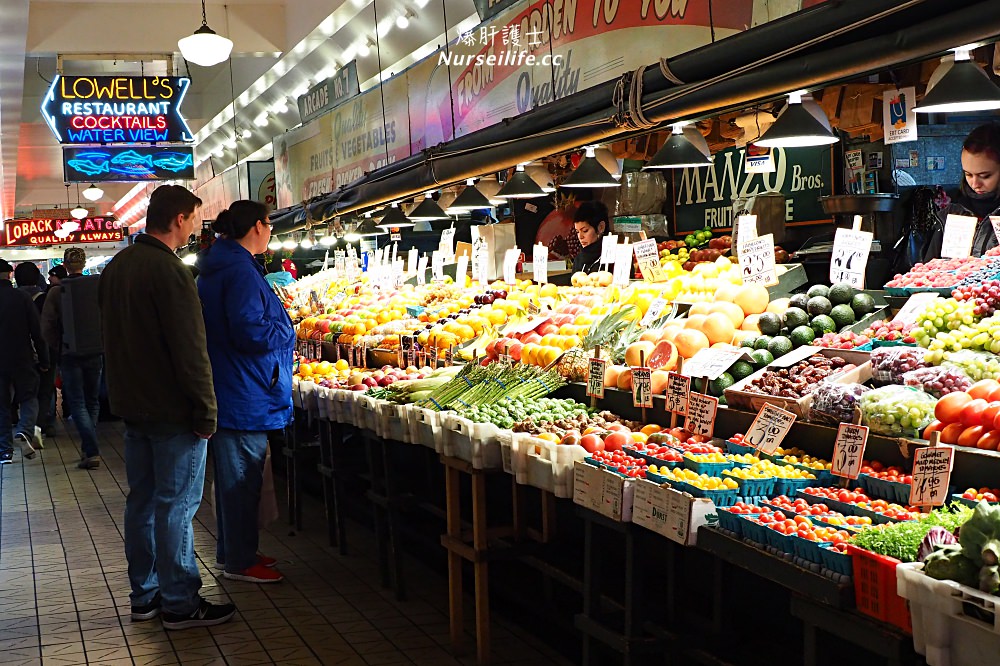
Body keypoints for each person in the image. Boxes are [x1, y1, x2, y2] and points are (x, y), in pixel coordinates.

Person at [99, 185, 235, 630]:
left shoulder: (118, 267)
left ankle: (146, 595)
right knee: (176, 505)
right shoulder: (171, 272)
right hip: (173, 411)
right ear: (180, 219)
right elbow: (191, 350)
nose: (197, 226)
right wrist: (206, 410)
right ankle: (179, 601)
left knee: (142, 502)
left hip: (133, 406)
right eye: (196, 218)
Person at [198, 201, 294, 584]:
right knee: (241, 479)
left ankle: (234, 551)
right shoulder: (238, 270)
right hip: (243, 390)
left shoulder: (226, 265)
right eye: (270, 225)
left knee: (236, 478)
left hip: (237, 384)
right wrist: (287, 331)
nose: (271, 231)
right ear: (257, 226)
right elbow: (249, 330)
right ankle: (239, 560)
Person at [41, 247, 103, 469]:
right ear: (84, 264)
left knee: (77, 403)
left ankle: (92, 449)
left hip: (69, 354)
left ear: (65, 265)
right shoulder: (97, 288)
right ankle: (89, 448)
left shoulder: (57, 292)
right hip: (96, 351)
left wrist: (57, 347)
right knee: (92, 401)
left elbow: (47, 325)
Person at [923, 122, 1000, 260]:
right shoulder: (952, 214)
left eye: (985, 176)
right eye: (968, 174)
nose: (975, 184)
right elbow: (931, 269)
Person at [0, 258, 49, 464]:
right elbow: (37, 332)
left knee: (1, 405)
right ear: (10, 274)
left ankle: (5, 452)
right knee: (29, 397)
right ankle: (25, 431)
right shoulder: (21, 298)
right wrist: (44, 359)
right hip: (22, 357)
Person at [15, 262, 55, 440]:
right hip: (46, 350)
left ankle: (25, 423)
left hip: (22, 354)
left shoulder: (13, 299)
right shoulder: (46, 298)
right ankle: (43, 423)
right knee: (45, 389)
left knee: (24, 391)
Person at [572, 200, 611, 274]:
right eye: (577, 232)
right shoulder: (578, 260)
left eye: (585, 230)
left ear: (601, 227)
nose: (580, 236)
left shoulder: (615, 257)